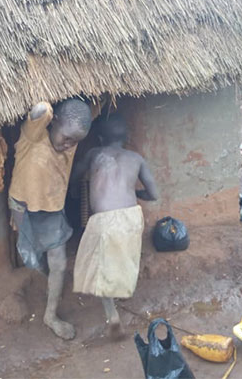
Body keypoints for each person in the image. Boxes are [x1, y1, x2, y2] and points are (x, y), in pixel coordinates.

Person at [8, 98, 94, 340]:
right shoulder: (33, 136)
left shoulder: (71, 142)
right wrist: (49, 113)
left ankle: (50, 315)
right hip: (23, 207)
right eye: (66, 137)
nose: (69, 145)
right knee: (30, 256)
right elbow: (41, 109)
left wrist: (71, 135)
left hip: (53, 210)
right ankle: (39, 279)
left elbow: (92, 110)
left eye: (75, 142)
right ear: (54, 122)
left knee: (59, 262)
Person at [70, 115, 158, 339]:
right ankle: (122, 292)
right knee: (124, 259)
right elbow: (153, 194)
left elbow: (74, 177)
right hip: (131, 217)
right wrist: (134, 192)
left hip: (105, 220)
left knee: (100, 267)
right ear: (126, 138)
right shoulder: (136, 158)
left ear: (99, 138)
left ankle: (113, 316)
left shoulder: (94, 154)